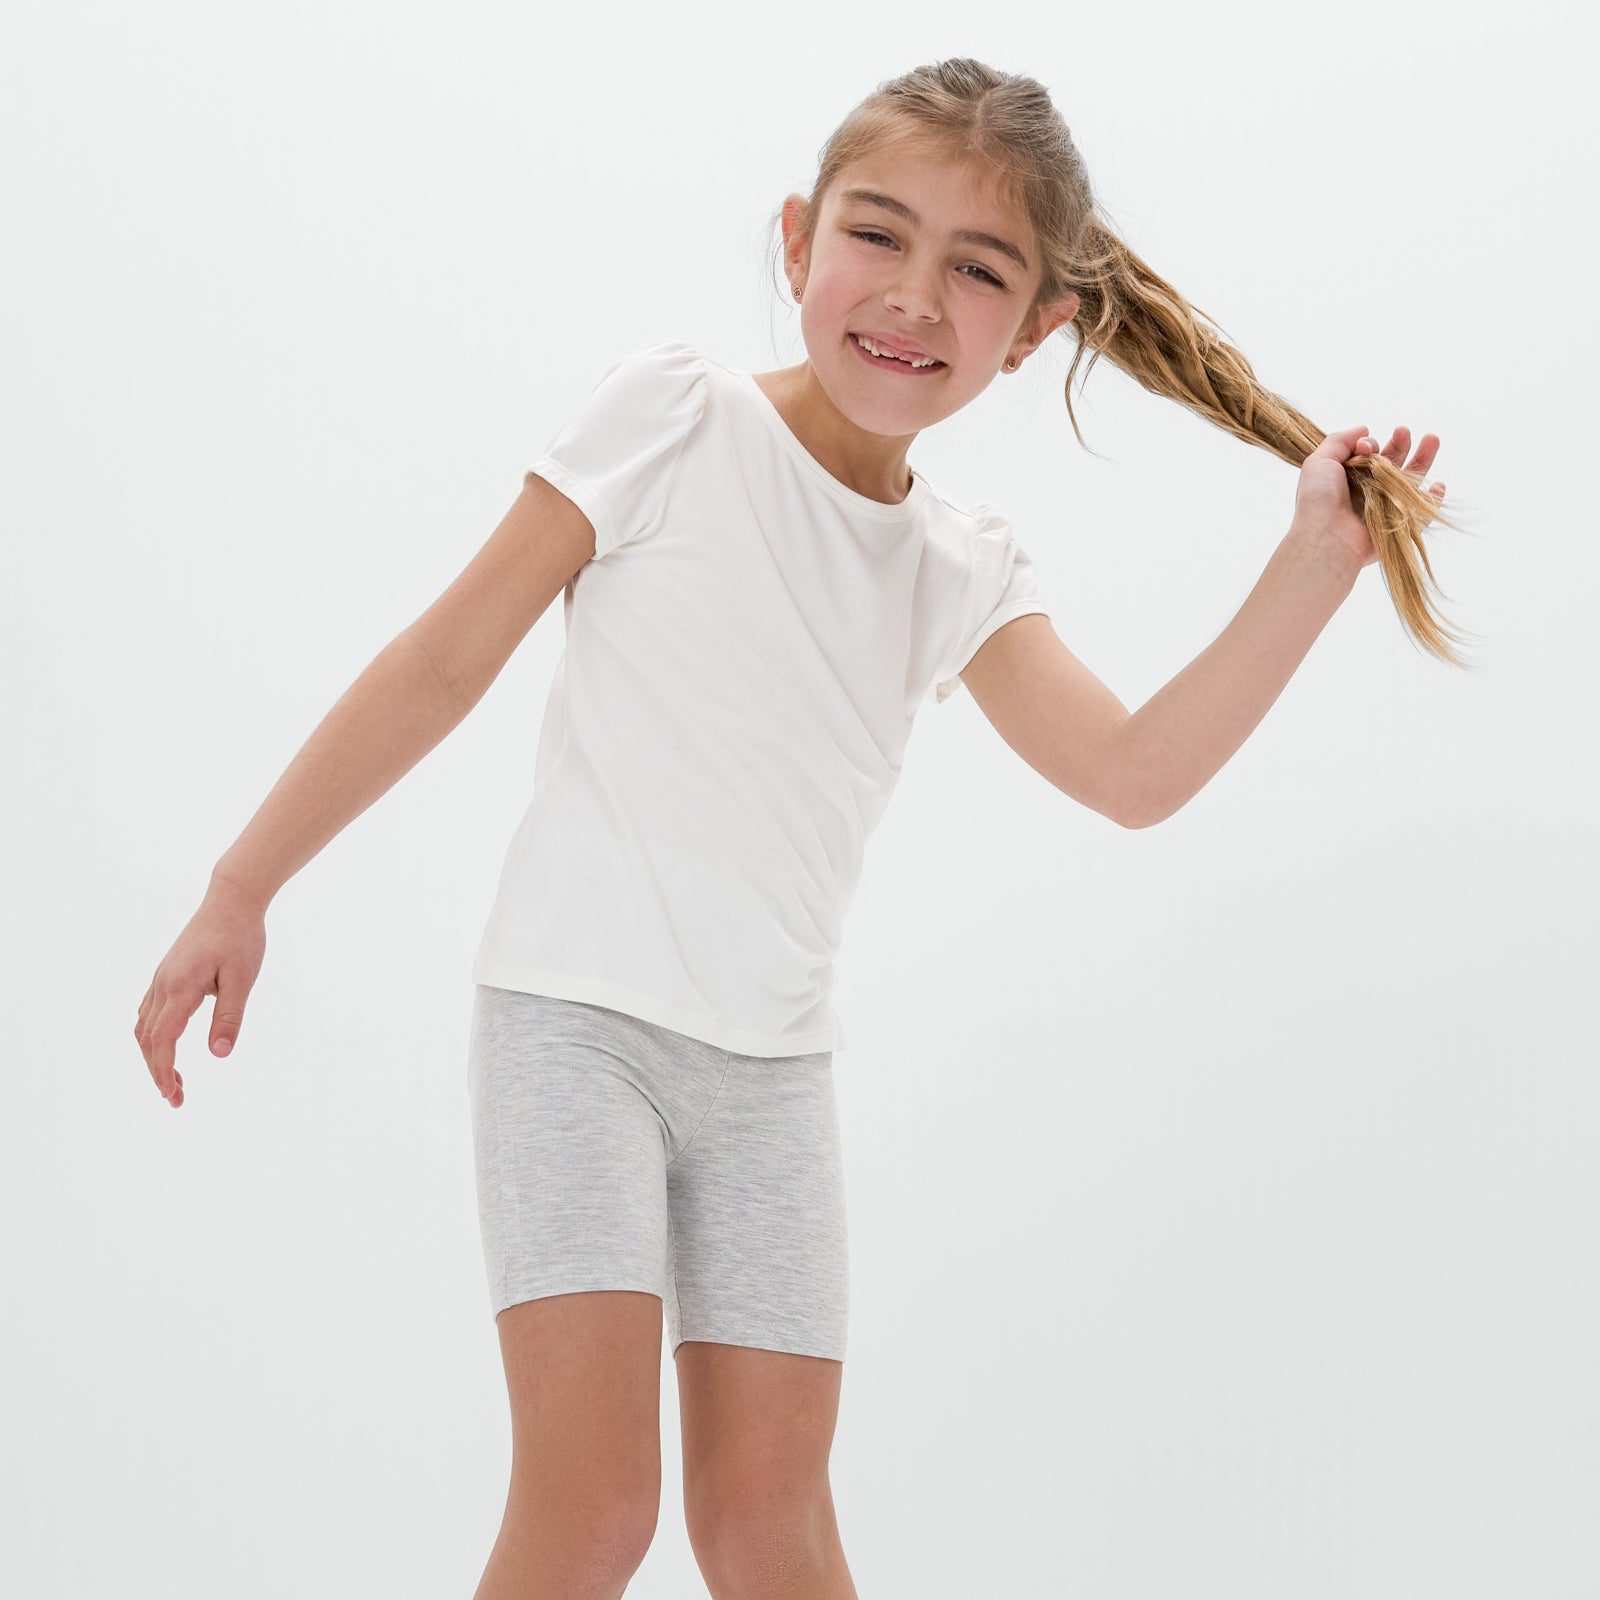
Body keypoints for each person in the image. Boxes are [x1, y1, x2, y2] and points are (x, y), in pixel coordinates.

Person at [133, 56, 1463, 1600]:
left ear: (1037, 332)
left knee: (770, 1524)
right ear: (795, 241)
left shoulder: (960, 566)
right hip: (578, 1033)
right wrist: (243, 884)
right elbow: (448, 655)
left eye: (977, 270)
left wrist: (1311, 568)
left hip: (770, 1082)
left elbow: (1134, 774)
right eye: (877, 236)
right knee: (595, 1513)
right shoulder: (675, 421)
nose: (911, 296)